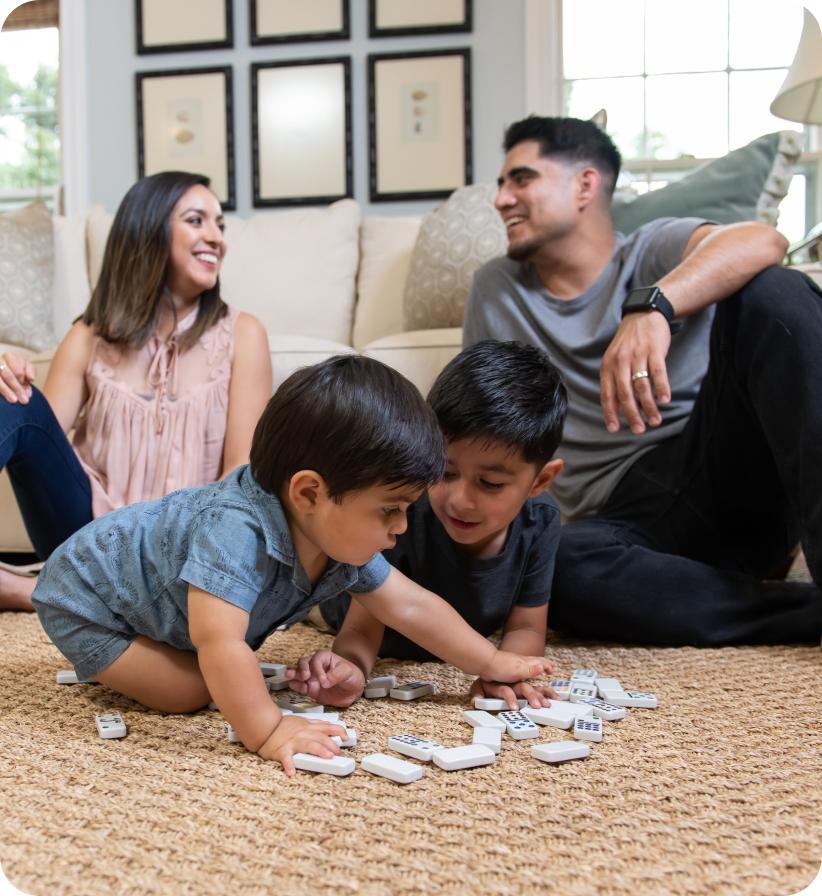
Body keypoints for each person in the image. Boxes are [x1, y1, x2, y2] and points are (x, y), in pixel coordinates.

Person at [32, 355, 554, 775]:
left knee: (218, 673)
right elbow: (220, 641)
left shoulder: (337, 536)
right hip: (87, 599)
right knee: (192, 690)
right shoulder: (236, 529)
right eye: (390, 510)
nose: (401, 528)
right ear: (309, 492)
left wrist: (490, 662)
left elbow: (410, 605)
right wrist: (268, 730)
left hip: (157, 606)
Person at [463, 115, 822, 646]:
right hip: (625, 524)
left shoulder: (651, 249)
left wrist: (652, 306)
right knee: (553, 566)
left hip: (720, 466)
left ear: (585, 184)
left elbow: (763, 239)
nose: (501, 199)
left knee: (774, 293)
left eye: (521, 179)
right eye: (501, 184)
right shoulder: (497, 288)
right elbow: (472, 421)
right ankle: (802, 614)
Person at [0, 171, 272, 611]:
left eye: (219, 225)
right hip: (82, 531)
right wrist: (8, 379)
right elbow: (38, 433)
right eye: (197, 220)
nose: (216, 237)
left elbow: (240, 475)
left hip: (182, 549)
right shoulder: (89, 335)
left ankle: (42, 592)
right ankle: (76, 589)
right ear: (148, 228)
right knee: (11, 397)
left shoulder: (244, 334)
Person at [300, 340, 566, 710]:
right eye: (445, 471)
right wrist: (353, 669)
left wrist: (504, 671)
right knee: (317, 589)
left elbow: (526, 628)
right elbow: (363, 626)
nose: (459, 499)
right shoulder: (400, 514)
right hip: (346, 603)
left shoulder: (541, 525)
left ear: (540, 481)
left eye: (490, 483)